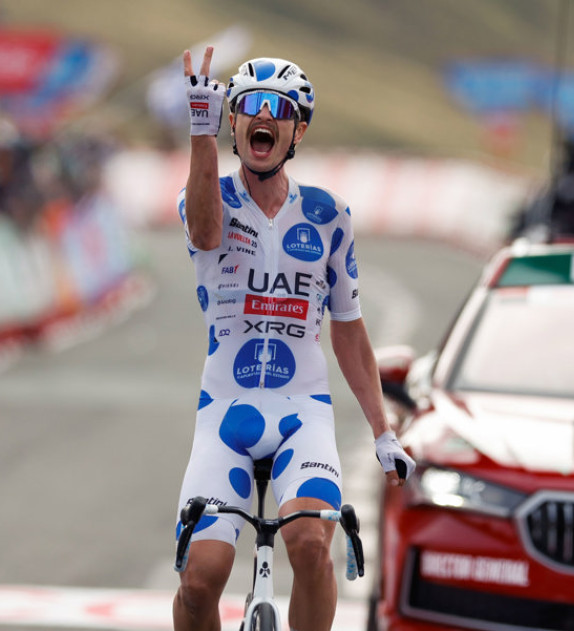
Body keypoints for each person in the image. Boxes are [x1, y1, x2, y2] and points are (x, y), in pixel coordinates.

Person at [173, 46, 415, 631]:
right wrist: (201, 134)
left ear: (297, 130)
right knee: (200, 581)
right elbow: (205, 233)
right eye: (250, 105)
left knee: (310, 547)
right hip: (225, 412)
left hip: (301, 413)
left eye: (279, 108)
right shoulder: (206, 197)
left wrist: (382, 431)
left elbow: (349, 330)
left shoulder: (329, 215)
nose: (265, 115)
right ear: (233, 122)